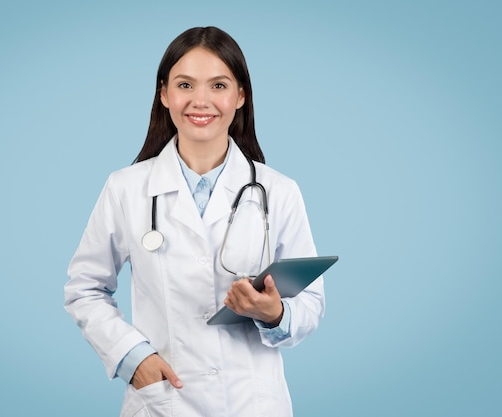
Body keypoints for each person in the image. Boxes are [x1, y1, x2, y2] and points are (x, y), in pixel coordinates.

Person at [64, 26, 325, 417]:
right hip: (163, 400)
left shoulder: (278, 191)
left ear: (241, 96)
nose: (200, 101)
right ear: (164, 93)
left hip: (252, 403)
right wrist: (133, 358)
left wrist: (274, 314)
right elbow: (84, 288)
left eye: (218, 86)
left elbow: (310, 302)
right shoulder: (126, 188)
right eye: (185, 85)